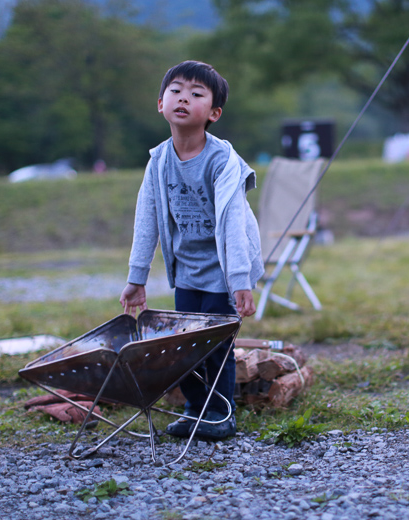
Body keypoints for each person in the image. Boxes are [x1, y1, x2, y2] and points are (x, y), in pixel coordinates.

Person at [119, 60, 264, 441]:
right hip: (187, 268)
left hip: (224, 266)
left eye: (197, 94)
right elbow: (146, 217)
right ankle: (193, 409)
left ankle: (219, 413)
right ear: (160, 104)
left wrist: (240, 279)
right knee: (184, 342)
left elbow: (232, 222)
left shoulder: (222, 161)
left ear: (213, 113)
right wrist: (137, 278)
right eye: (176, 91)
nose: (184, 98)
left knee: (214, 343)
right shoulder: (159, 161)